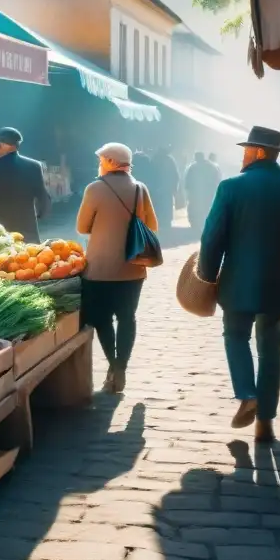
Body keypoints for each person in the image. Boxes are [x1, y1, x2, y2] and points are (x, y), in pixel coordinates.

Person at [198, 127, 280, 439]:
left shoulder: (230, 187)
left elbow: (212, 237)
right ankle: (265, 422)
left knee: (235, 336)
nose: (242, 156)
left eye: (246, 150)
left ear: (257, 152)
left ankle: (247, 394)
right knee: (271, 349)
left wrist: (207, 273)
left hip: (238, 280)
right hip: (279, 280)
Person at [77, 142, 158, 393]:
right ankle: (121, 366)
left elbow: (82, 227)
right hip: (132, 269)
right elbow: (151, 225)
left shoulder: (94, 189)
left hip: (99, 268)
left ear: (111, 162)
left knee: (101, 319)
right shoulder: (140, 189)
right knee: (127, 317)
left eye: (101, 160)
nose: (99, 165)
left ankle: (112, 364)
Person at [0, 128, 51, 243]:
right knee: (29, 259)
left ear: (0, 146)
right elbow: (43, 197)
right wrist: (40, 215)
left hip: (0, 233)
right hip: (27, 232)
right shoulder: (34, 166)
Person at [183, 152, 222, 232]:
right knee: (207, 208)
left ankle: (195, 225)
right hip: (208, 192)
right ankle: (206, 224)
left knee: (194, 208)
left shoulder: (193, 167)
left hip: (196, 193)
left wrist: (188, 190)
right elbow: (217, 179)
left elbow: (188, 180)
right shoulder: (211, 166)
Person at [146, 146, 179, 230]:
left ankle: (159, 221)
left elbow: (150, 173)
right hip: (166, 188)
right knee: (167, 205)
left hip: (157, 188)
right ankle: (166, 221)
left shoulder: (154, 159)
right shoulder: (170, 160)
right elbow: (175, 175)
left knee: (158, 205)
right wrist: (174, 187)